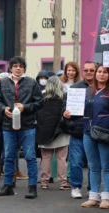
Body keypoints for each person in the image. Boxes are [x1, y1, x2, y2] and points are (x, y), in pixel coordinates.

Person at [0, 56, 43, 199]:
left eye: (20, 66)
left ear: (24, 68)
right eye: (15, 66)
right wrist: (4, 109)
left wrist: (25, 107)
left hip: (27, 125)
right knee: (9, 156)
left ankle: (32, 187)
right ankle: (8, 186)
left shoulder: (31, 82)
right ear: (10, 68)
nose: (17, 68)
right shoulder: (3, 83)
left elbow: (40, 102)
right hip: (8, 125)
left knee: (30, 157)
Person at [62, 61, 95, 199]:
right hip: (77, 131)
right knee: (75, 162)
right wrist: (66, 114)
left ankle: (92, 189)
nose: (88, 72)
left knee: (93, 163)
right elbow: (64, 106)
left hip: (95, 132)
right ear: (82, 71)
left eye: (91, 70)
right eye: (86, 70)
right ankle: (75, 187)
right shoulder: (74, 88)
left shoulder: (102, 88)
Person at [81, 65, 109, 209]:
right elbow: (78, 110)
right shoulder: (87, 91)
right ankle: (93, 197)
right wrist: (68, 112)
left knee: (107, 166)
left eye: (105, 72)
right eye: (99, 72)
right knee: (93, 166)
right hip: (88, 132)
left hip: (105, 133)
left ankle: (107, 197)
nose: (101, 74)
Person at [36, 76, 70, 190]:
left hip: (45, 132)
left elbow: (38, 115)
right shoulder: (64, 97)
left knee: (46, 158)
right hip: (61, 131)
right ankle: (63, 182)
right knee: (62, 158)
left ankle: (44, 182)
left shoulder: (42, 97)